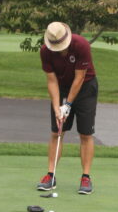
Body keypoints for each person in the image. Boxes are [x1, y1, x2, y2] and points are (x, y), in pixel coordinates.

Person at [37, 22, 98, 195]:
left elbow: (79, 78)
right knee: (57, 131)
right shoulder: (45, 51)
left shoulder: (81, 45)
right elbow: (51, 80)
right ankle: (50, 175)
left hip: (86, 88)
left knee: (85, 133)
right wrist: (57, 107)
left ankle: (86, 177)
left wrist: (68, 105)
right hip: (62, 88)